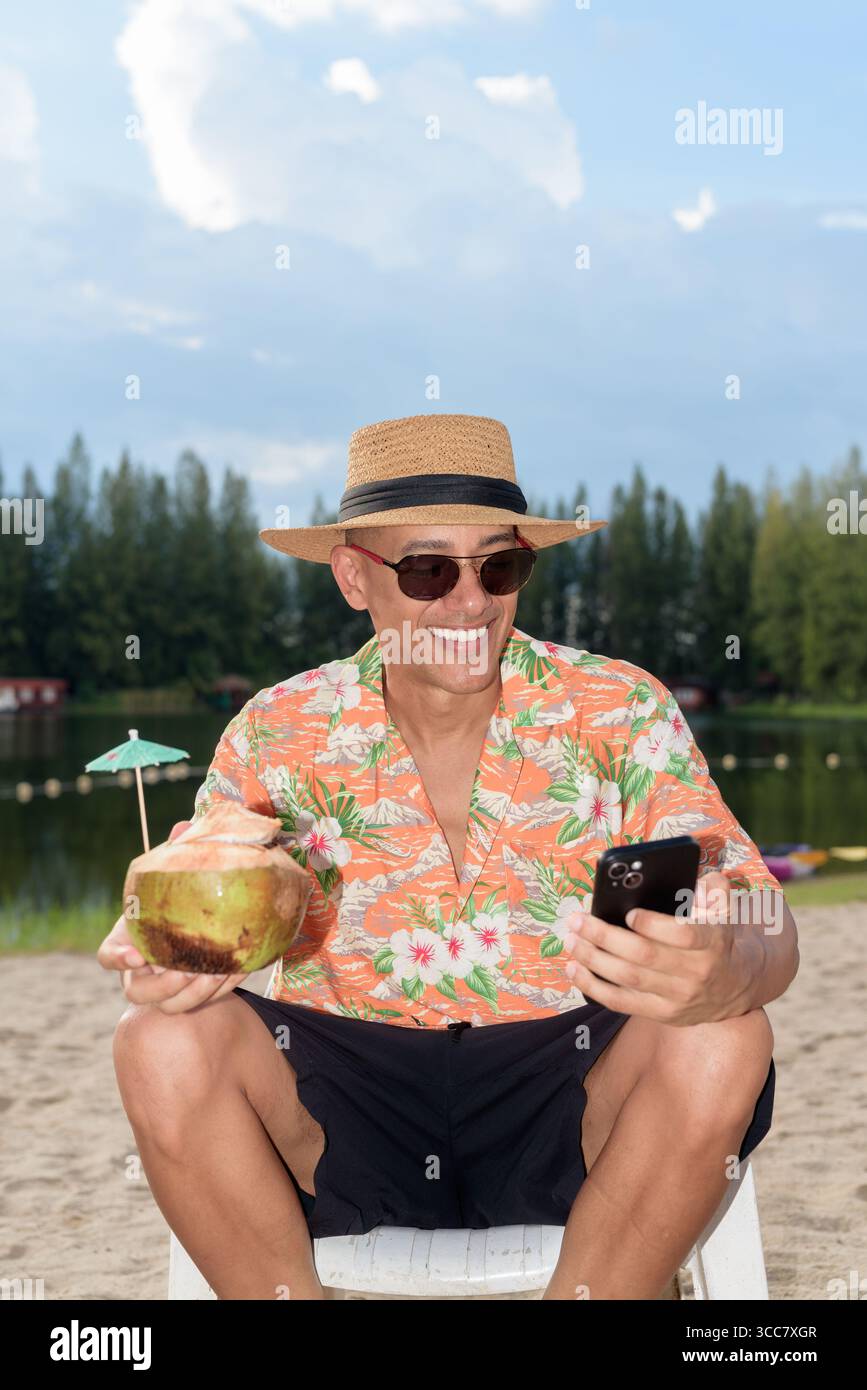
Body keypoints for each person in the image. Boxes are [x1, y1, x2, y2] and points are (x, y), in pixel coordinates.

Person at [98, 413, 799, 1300]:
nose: (470, 602)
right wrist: (165, 960)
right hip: (342, 1108)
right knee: (156, 1041)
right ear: (355, 576)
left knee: (724, 1038)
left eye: (497, 565)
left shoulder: (619, 707)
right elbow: (197, 896)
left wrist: (733, 968)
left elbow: (755, 902)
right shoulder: (278, 731)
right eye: (428, 569)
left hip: (575, 1095)